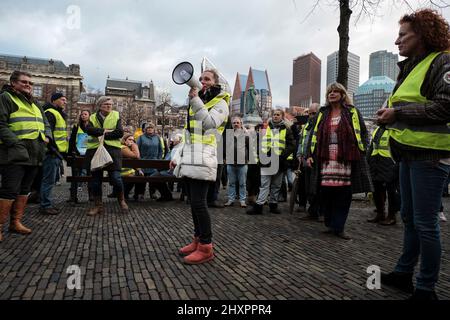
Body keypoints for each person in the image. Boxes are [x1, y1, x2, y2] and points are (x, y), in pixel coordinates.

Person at [377, 9, 450, 300]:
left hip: (430, 155)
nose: (397, 41)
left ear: (421, 34)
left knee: (426, 222)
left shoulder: (443, 61)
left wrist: (398, 112)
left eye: (402, 35)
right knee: (409, 217)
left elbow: (445, 106)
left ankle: (426, 288)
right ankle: (404, 274)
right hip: (408, 152)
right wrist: (390, 115)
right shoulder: (410, 66)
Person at [171, 69, 229, 264]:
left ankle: (206, 247)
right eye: (201, 78)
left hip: (204, 155)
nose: (202, 81)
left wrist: (195, 100)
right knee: (192, 202)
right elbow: (189, 133)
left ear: (215, 82)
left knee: (199, 203)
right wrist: (177, 155)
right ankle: (197, 240)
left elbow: (210, 124)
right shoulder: (198, 100)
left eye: (207, 79)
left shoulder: (221, 102)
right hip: (191, 154)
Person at [306, 83, 372, 240]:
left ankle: (339, 226)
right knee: (326, 194)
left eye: (336, 91)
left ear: (343, 94)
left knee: (343, 195)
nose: (332, 94)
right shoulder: (322, 113)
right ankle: (330, 224)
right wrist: (309, 154)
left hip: (346, 161)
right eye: (330, 92)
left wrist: (362, 150)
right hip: (325, 160)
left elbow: (363, 133)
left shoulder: (352, 112)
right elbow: (312, 134)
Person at [0, 70, 52, 241]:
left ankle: (15, 222)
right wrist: (15, 143)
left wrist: (47, 137)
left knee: (24, 190)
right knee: (9, 190)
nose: (28, 85)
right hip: (14, 153)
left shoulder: (35, 103)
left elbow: (45, 123)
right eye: (24, 82)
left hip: (35, 152)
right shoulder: (6, 97)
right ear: (13, 83)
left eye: (30, 83)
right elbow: (1, 124)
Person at [246, 109, 296, 215]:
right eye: (274, 115)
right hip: (266, 160)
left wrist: (281, 156)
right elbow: (259, 143)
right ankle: (259, 206)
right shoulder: (265, 128)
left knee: (276, 185)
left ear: (282, 117)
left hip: (280, 161)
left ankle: (273, 205)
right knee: (264, 184)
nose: (275, 116)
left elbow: (291, 145)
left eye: (278, 115)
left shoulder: (287, 129)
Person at [85, 96, 128, 215]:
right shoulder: (93, 117)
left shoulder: (116, 115)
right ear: (100, 106)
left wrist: (99, 132)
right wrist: (105, 131)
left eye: (110, 104)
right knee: (95, 180)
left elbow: (119, 133)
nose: (109, 106)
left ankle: (121, 200)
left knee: (116, 178)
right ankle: (98, 206)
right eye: (106, 104)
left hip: (113, 151)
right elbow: (89, 130)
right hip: (95, 151)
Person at [39, 92, 68, 215]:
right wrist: (53, 149)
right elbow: (48, 134)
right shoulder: (51, 113)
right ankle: (45, 205)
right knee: (48, 180)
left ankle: (46, 204)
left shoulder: (57, 113)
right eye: (62, 99)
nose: (65, 102)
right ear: (54, 100)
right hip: (52, 153)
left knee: (49, 180)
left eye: (65, 100)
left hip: (56, 153)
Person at [366, 125, 400, 225]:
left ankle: (392, 216)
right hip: (376, 163)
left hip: (389, 163)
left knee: (391, 191)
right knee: (376, 190)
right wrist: (368, 161)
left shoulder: (394, 129)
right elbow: (372, 146)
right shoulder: (377, 129)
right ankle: (380, 214)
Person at [296, 103, 321, 220]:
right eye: (310, 113)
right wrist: (299, 154)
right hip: (305, 160)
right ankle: (313, 211)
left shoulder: (321, 125)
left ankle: (318, 211)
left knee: (316, 187)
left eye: (313, 113)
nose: (311, 116)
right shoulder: (306, 126)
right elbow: (301, 142)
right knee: (308, 187)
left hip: (317, 160)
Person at [224, 116, 249, 208]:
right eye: (234, 123)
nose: (236, 124)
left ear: (241, 124)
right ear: (232, 124)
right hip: (230, 162)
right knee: (231, 183)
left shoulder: (246, 135)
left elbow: (250, 148)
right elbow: (225, 147)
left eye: (238, 122)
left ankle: (242, 200)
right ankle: (231, 199)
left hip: (242, 163)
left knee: (242, 183)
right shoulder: (228, 134)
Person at [67, 110, 91, 203]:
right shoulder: (76, 127)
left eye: (85, 114)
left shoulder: (92, 127)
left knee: (89, 175)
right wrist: (71, 152)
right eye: (82, 114)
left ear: (89, 116)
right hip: (77, 153)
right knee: (75, 175)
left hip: (88, 154)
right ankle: (73, 196)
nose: (83, 116)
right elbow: (72, 140)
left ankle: (91, 195)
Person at [120, 134, 143, 199]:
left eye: (133, 140)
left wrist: (139, 169)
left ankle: (135, 194)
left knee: (140, 175)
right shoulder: (123, 148)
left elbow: (135, 161)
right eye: (129, 139)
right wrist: (135, 145)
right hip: (122, 172)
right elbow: (136, 156)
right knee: (138, 176)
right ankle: (127, 194)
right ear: (124, 140)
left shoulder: (129, 148)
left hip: (128, 172)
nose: (131, 141)